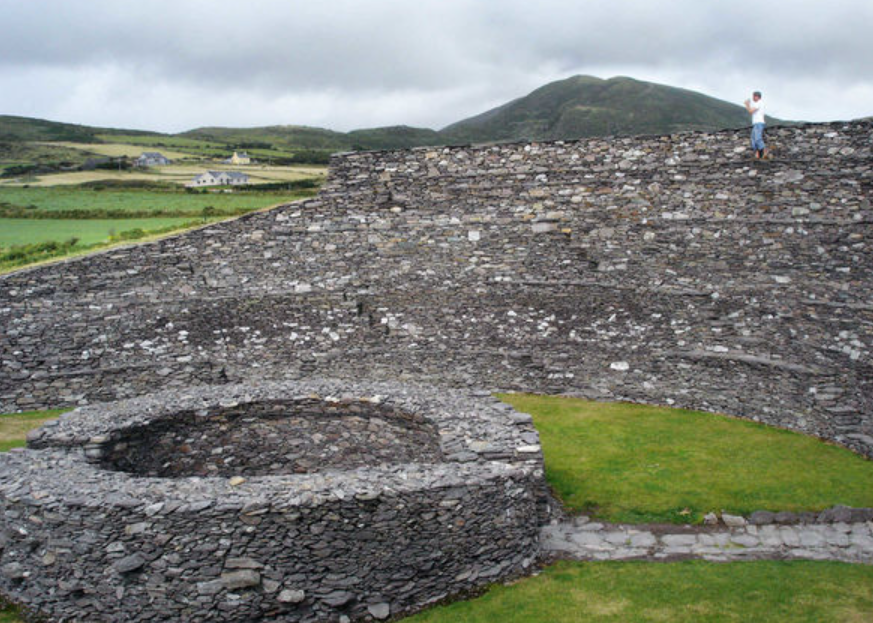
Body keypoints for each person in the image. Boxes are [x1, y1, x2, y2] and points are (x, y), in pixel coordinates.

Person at [744, 91, 768, 159]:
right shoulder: (758, 104)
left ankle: (764, 150)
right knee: (753, 140)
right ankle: (757, 153)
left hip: (759, 123)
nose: (753, 98)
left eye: (754, 96)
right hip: (756, 123)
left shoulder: (759, 103)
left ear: (757, 96)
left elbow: (751, 111)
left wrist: (747, 105)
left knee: (757, 138)